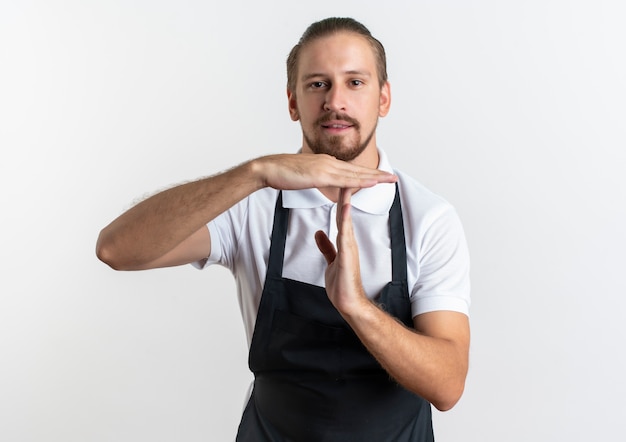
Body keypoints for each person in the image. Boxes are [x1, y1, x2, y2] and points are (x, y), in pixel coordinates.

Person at [96, 17, 470, 441]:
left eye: (355, 82)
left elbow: (447, 384)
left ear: (383, 98)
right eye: (317, 84)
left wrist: (358, 308)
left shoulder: (428, 219)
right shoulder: (251, 205)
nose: (335, 101)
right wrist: (255, 173)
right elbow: (116, 249)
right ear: (292, 103)